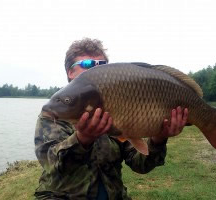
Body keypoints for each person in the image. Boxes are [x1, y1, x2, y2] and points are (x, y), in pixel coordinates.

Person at [34, 38, 188, 200]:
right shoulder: (55, 113)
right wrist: (83, 139)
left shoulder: (118, 108)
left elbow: (140, 164)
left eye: (101, 65)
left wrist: (159, 138)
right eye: (87, 64)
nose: (96, 70)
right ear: (70, 72)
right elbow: (51, 165)